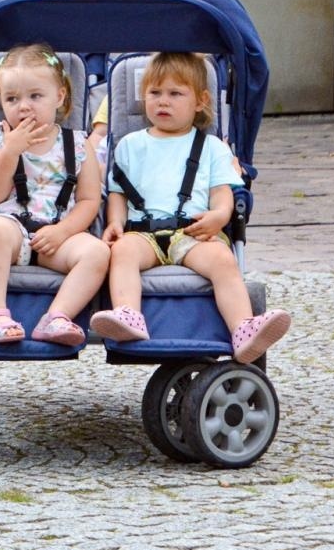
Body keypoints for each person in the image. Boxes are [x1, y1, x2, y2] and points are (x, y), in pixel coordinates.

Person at [93, 52, 290, 363]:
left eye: (175, 94)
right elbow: (117, 193)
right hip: (142, 234)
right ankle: (128, 315)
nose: (163, 101)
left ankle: (243, 328)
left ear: (201, 101)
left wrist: (219, 216)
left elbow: (222, 194)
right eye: (154, 93)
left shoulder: (212, 147)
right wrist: (115, 222)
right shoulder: (130, 145)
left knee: (222, 259)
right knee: (122, 252)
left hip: (193, 233)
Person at [0, 45, 108, 346]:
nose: (24, 107)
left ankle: (57, 316)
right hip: (8, 228)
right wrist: (10, 152)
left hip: (55, 235)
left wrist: (63, 231)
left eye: (35, 96)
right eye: (12, 99)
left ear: (59, 97)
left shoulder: (77, 144)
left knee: (98, 253)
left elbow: (89, 200)